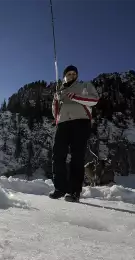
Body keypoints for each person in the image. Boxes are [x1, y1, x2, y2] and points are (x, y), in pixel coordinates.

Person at [49, 65, 100, 202]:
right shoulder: (60, 90)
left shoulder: (84, 85)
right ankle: (60, 188)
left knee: (77, 157)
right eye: (69, 74)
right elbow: (55, 113)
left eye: (74, 74)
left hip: (81, 122)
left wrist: (74, 97)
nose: (72, 76)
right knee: (57, 154)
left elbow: (94, 100)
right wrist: (56, 100)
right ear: (64, 76)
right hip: (63, 124)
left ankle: (74, 192)